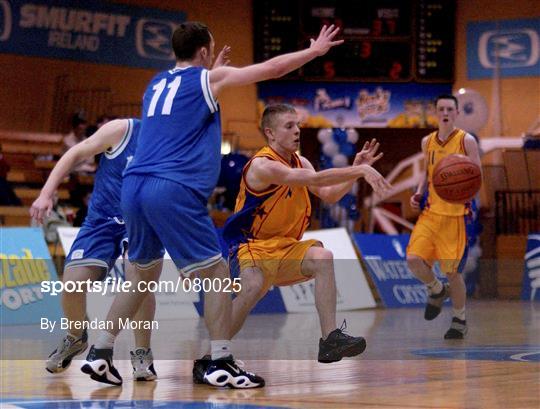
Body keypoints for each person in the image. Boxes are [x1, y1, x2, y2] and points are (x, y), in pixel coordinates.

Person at [80, 21, 343, 389]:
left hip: (133, 185)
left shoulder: (155, 84)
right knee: (218, 273)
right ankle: (220, 361)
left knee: (141, 276)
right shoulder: (206, 80)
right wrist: (313, 52)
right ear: (204, 52)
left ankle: (101, 352)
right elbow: (271, 69)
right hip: (171, 188)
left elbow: (186, 114)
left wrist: (211, 75)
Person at [192, 104, 391, 382]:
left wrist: (357, 169)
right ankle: (213, 356)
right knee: (251, 288)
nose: (297, 130)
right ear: (270, 134)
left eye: (297, 125)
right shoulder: (263, 165)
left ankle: (329, 339)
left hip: (285, 247)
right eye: (289, 126)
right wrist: (357, 171)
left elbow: (330, 194)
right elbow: (314, 179)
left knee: (323, 257)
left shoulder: (302, 161)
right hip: (250, 245)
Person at [30, 118, 158, 381]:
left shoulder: (175, 144)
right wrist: (46, 193)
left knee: (140, 280)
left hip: (142, 221)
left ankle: (142, 352)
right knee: (72, 284)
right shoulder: (124, 129)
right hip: (101, 220)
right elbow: (76, 152)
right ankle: (76, 337)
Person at [406, 94, 482, 339]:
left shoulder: (466, 141)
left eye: (450, 108)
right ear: (436, 113)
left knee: (453, 272)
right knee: (414, 260)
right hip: (430, 214)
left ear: (457, 113)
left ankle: (459, 319)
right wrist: (418, 193)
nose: (446, 112)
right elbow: (427, 173)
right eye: (441, 109)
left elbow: (477, 176)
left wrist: (463, 189)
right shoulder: (426, 141)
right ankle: (436, 290)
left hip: (456, 216)